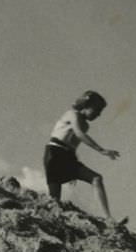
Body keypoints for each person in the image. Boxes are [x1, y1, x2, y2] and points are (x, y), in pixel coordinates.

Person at [44, 90, 123, 222]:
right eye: (97, 110)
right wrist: (101, 150)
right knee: (55, 200)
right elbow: (79, 134)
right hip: (54, 153)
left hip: (65, 156)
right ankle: (107, 217)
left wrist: (73, 166)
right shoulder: (72, 114)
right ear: (86, 105)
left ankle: (108, 218)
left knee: (95, 179)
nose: (98, 115)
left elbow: (73, 145)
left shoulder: (86, 125)